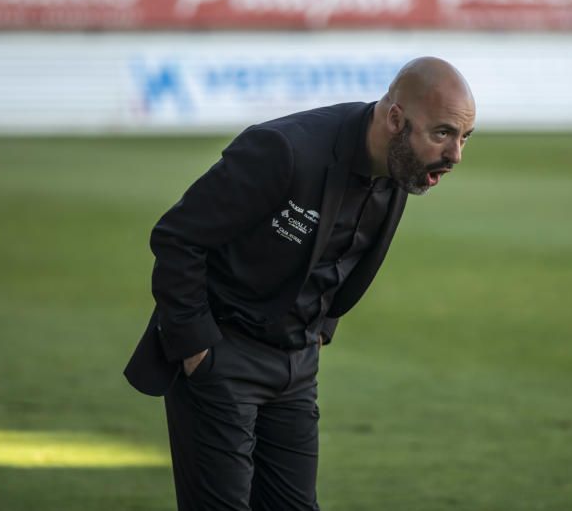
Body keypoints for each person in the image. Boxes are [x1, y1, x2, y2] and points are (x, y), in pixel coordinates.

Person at [124, 57, 476, 510]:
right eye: (443, 133)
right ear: (394, 119)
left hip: (296, 367)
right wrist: (198, 351)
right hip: (222, 357)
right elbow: (178, 239)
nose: (456, 155)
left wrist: (317, 330)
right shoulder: (284, 150)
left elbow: (340, 266)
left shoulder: (401, 167)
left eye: (465, 137)